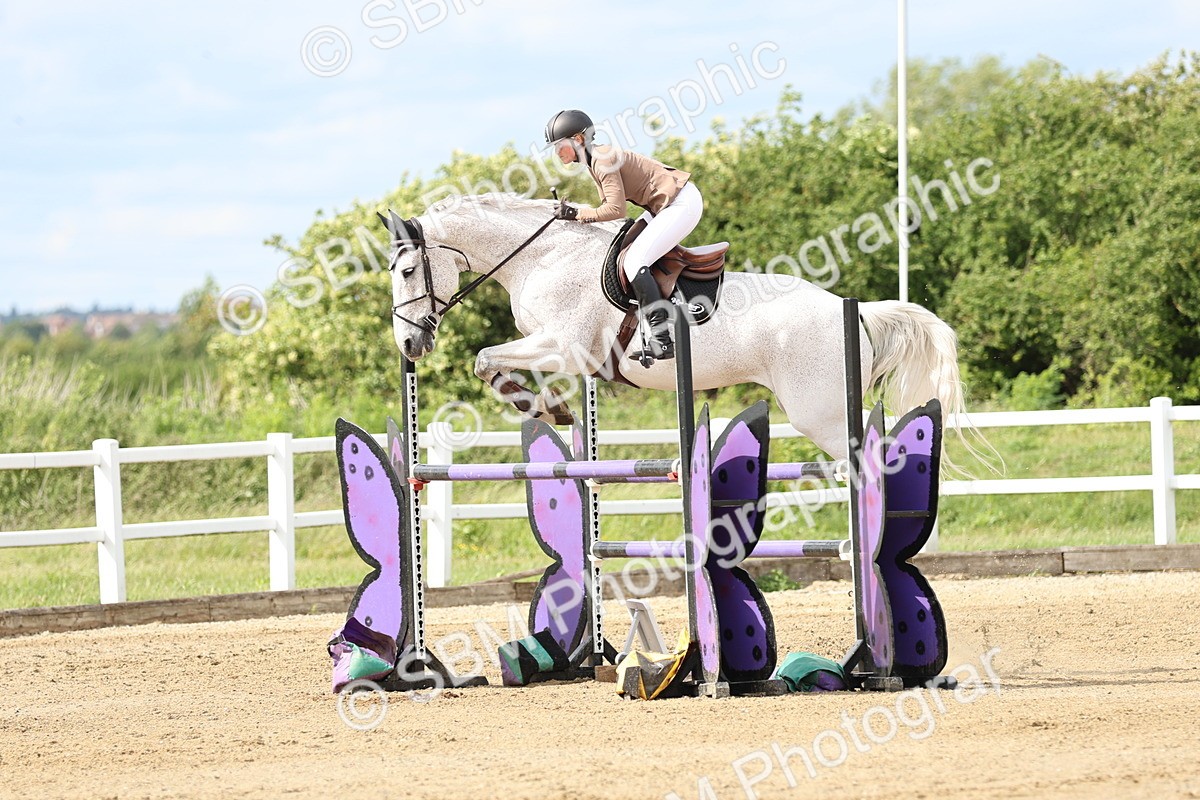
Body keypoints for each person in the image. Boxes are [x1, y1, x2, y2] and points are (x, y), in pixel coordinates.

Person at [545, 109, 702, 361]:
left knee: (634, 261)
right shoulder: (595, 160)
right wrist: (579, 214)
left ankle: (662, 339)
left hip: (680, 203)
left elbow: (616, 209)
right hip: (664, 205)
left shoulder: (602, 159)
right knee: (625, 247)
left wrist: (576, 213)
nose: (557, 153)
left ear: (578, 140)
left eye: (559, 145)